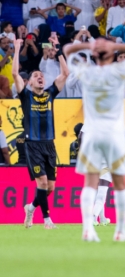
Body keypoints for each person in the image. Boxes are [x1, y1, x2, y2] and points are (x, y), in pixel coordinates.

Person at [63, 38, 125, 241]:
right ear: (110, 55)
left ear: (94, 56)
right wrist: (115, 47)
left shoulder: (88, 71)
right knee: (119, 184)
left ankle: (87, 229)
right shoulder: (119, 71)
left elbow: (67, 49)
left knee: (90, 183)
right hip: (114, 133)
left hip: (92, 133)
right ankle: (120, 231)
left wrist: (90, 47)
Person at [15, 35, 68, 230]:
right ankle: (47, 220)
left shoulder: (50, 94)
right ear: (29, 82)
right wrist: (17, 47)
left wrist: (58, 48)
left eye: (42, 76)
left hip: (49, 144)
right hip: (33, 144)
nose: (40, 77)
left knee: (50, 187)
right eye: (36, 76)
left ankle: (30, 207)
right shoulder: (26, 96)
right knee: (43, 182)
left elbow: (66, 72)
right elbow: (14, 74)